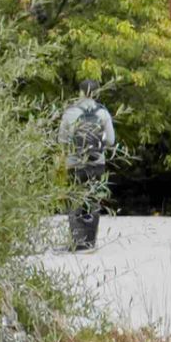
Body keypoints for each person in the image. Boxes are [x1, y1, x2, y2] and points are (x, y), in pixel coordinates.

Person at [55, 79, 116, 251]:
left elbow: (62, 140)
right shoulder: (103, 113)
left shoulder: (70, 112)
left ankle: (77, 241)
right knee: (93, 199)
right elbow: (111, 141)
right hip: (97, 163)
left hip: (75, 164)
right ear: (97, 93)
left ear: (80, 93)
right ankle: (90, 241)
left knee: (75, 200)